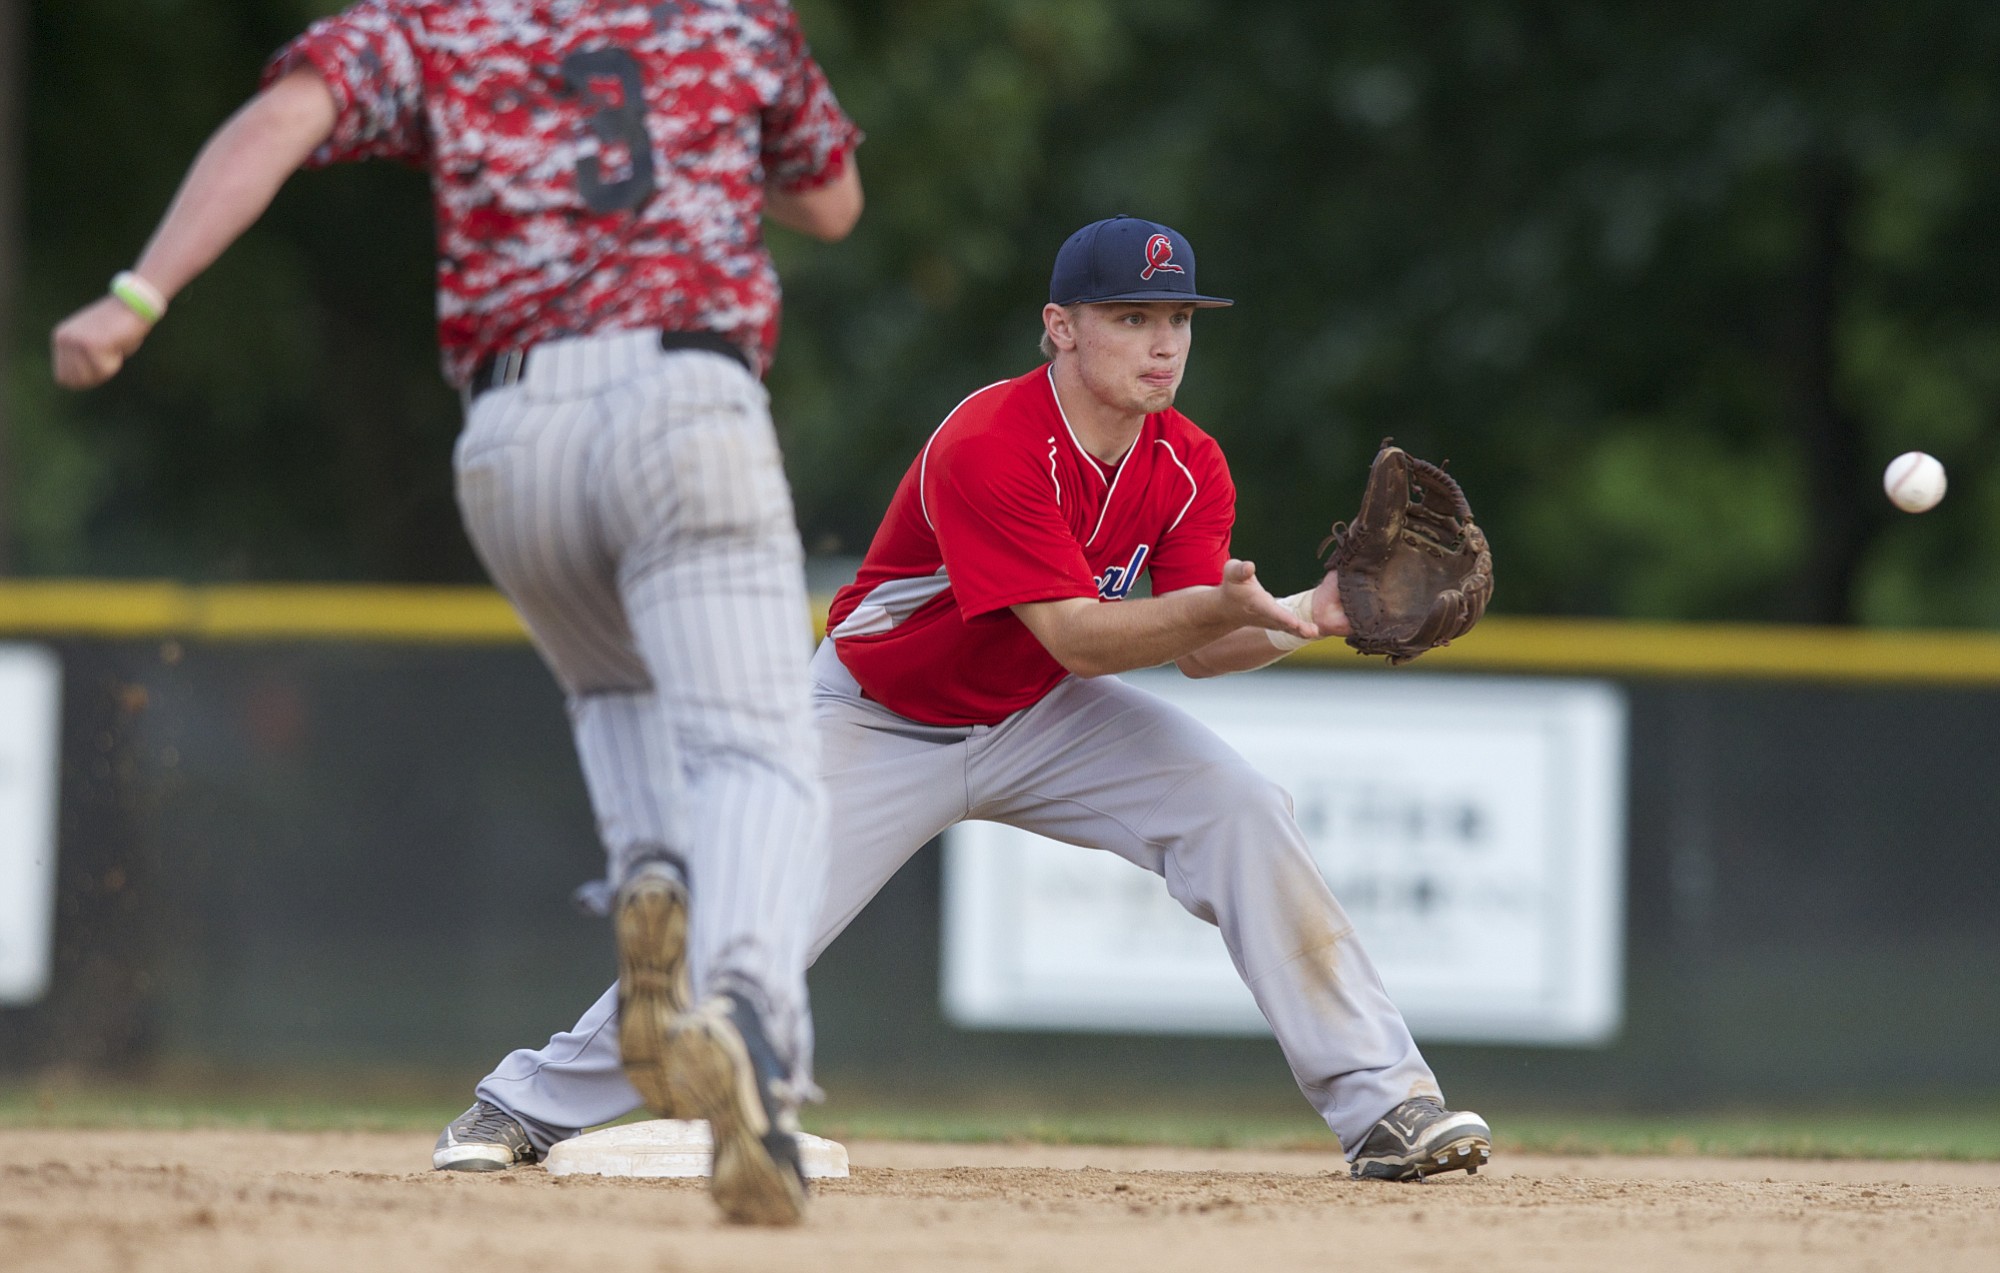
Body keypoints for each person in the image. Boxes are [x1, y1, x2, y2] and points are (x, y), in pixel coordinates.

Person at [439, 215, 1494, 1183]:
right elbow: (1082, 637)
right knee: (737, 943)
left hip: (1035, 718)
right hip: (873, 715)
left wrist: (1309, 616)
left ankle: (1385, 1109)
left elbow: (1199, 651)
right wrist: (1250, 608)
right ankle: (517, 1106)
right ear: (1059, 329)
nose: (1162, 343)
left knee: (1238, 804)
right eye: (1129, 317)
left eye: (1176, 318)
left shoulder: (1187, 466)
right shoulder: (991, 441)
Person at [49, 0, 863, 1226]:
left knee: (612, 683)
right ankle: (743, 1012)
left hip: (510, 428)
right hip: (685, 397)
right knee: (756, 747)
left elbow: (279, 119)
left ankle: (648, 868)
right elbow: (833, 201)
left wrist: (136, 295)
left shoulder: (440, 25)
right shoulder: (728, 20)